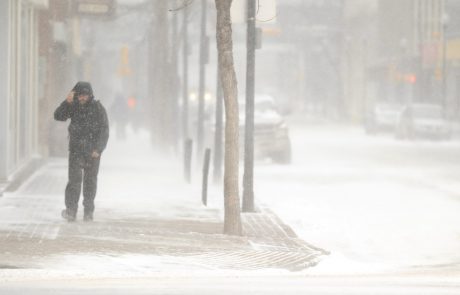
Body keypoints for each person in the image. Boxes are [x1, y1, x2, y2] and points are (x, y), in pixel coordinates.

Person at [54, 81, 109, 222]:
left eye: (85, 95)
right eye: (80, 95)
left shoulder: (98, 108)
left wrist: (98, 149)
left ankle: (88, 212)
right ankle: (71, 211)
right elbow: (58, 116)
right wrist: (67, 101)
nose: (82, 98)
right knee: (74, 182)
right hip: (76, 151)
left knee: (90, 182)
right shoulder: (73, 106)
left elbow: (104, 130)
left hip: (93, 152)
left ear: (90, 95)